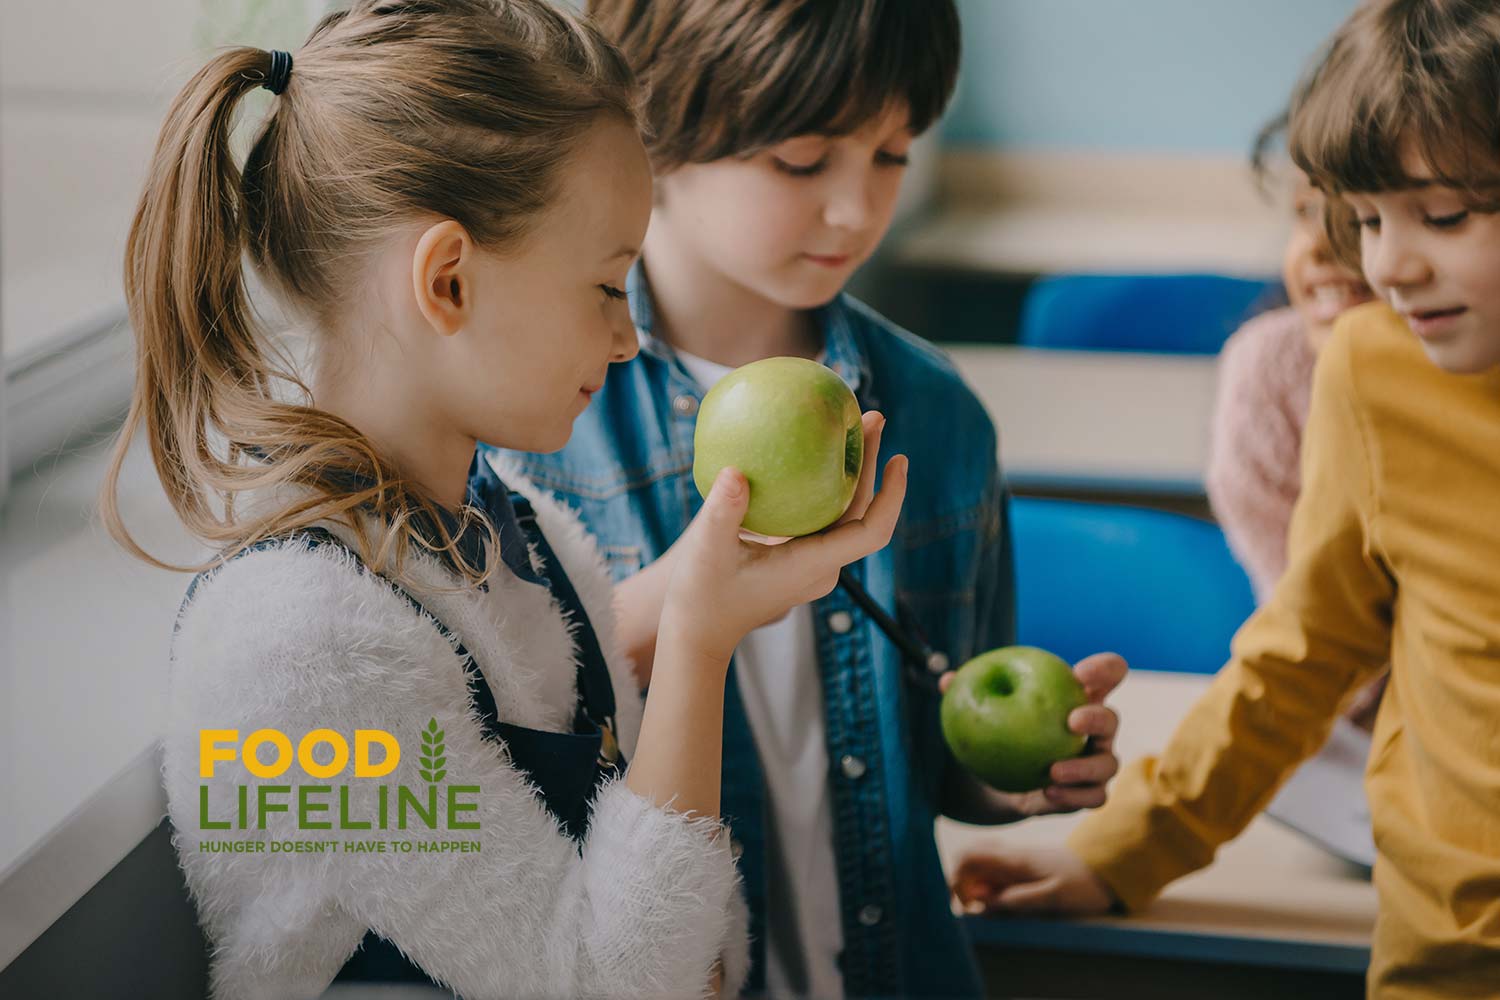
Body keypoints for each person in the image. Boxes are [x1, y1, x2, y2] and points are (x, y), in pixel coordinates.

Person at [100, 2, 906, 996]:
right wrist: (702, 634)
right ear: (446, 282)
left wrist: (726, 581)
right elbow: (606, 984)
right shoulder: (296, 645)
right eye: (609, 287)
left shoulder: (518, 532)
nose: (625, 339)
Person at [488, 1, 1125, 996]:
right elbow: (506, 729)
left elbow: (944, 737)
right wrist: (698, 599)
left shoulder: (934, 415)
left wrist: (1017, 777)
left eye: (892, 154)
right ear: (650, 129)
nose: (857, 209)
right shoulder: (532, 420)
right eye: (802, 161)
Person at [951, 2, 1500, 995]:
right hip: (1454, 956)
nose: (1389, 265)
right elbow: (1302, 656)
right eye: (1367, 218)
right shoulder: (1375, 373)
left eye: (1446, 216)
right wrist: (1125, 849)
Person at [1207, 115, 1386, 728]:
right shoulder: (1270, 376)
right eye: (1307, 211)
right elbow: (1310, 638)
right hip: (1347, 725)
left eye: (1361, 216)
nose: (1319, 247)